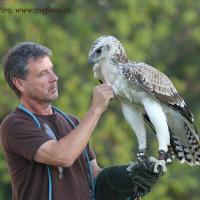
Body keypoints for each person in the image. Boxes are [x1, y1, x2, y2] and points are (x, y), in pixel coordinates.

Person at [0, 42, 161, 200]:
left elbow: (94, 176)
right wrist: (96, 109)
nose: (54, 78)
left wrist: (128, 177)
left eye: (52, 70)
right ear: (19, 83)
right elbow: (62, 157)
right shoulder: (15, 125)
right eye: (43, 74)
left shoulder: (72, 122)